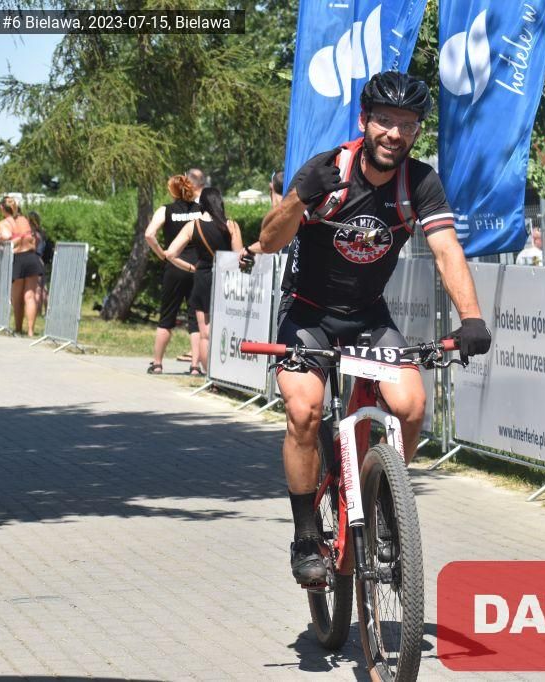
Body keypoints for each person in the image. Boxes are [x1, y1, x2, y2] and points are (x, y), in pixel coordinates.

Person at [257, 70, 492, 584]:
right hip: (308, 313)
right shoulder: (327, 170)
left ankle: (384, 501)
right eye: (385, 120)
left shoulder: (420, 183)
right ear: (364, 121)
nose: (394, 133)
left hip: (367, 316)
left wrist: (471, 317)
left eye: (407, 124)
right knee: (304, 410)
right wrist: (298, 199)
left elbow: (447, 250)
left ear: (417, 131)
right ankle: (305, 535)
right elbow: (269, 241)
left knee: (411, 406)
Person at [164, 187, 243, 375]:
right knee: (228, 329)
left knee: (205, 334)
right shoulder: (231, 225)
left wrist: (191, 268)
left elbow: (170, 254)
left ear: (202, 205)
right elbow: (239, 257)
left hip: (203, 279)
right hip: (226, 280)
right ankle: (226, 374)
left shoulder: (193, 226)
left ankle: (211, 377)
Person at [144, 174, 201, 374]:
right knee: (196, 319)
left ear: (172, 191)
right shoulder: (201, 210)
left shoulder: (165, 210)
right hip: (197, 267)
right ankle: (195, 366)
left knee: (167, 316)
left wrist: (162, 254)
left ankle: (157, 364)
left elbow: (149, 234)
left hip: (175, 266)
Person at [0, 196, 44, 337]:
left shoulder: (3, 223)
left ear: (2, 208)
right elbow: (32, 237)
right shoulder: (24, 220)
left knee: (16, 297)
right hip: (31, 257)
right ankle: (30, 331)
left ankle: (18, 328)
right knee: (30, 296)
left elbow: (8, 237)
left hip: (17, 258)